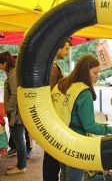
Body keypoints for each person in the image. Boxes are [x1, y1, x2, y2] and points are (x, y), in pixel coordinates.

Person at [51, 55, 112, 181]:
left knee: (63, 174)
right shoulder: (83, 92)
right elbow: (89, 126)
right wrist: (110, 130)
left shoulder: (61, 84)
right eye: (95, 72)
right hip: (76, 143)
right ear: (86, 71)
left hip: (58, 138)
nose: (97, 75)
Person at [43, 38, 71, 181]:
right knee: (52, 159)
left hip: (50, 119)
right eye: (66, 49)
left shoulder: (50, 66)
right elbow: (53, 95)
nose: (67, 53)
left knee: (51, 158)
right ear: (58, 48)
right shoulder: (53, 68)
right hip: (53, 119)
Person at [0, 51, 27, 174]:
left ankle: (21, 167)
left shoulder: (14, 74)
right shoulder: (12, 73)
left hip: (16, 113)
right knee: (17, 139)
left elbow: (16, 93)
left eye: (0, 64)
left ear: (5, 63)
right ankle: (20, 165)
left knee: (19, 140)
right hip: (14, 113)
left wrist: (9, 108)